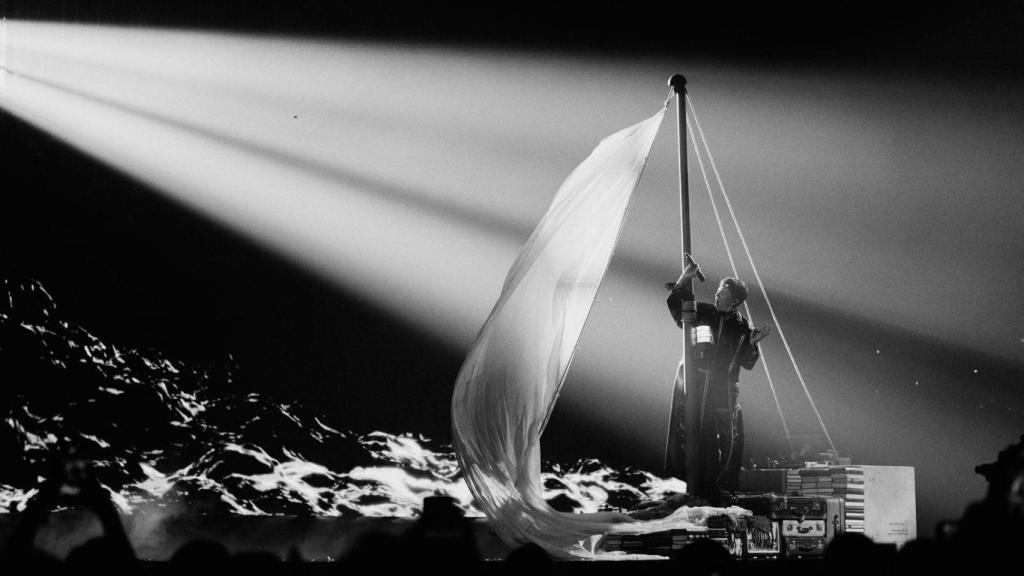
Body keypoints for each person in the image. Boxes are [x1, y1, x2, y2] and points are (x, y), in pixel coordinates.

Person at [665, 254, 771, 502]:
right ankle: (687, 482)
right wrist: (684, 277)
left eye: (722, 292)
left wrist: (752, 344)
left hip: (722, 389)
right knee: (688, 430)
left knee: (722, 437)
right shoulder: (702, 313)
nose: (716, 294)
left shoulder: (742, 327)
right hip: (696, 382)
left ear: (734, 300)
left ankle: (714, 485)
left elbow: (747, 363)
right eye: (718, 290)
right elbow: (675, 305)